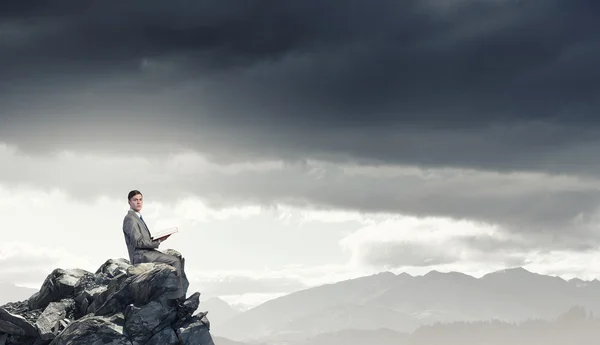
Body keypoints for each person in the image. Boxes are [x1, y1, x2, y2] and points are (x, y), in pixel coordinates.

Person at [122, 189, 189, 301]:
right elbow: (138, 242)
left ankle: (174, 292)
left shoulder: (137, 217)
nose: (138, 202)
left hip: (146, 252)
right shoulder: (130, 219)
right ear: (129, 202)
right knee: (175, 261)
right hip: (140, 255)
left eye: (140, 200)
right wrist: (156, 242)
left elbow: (143, 240)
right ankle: (178, 297)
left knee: (176, 258)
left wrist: (161, 238)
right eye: (135, 200)